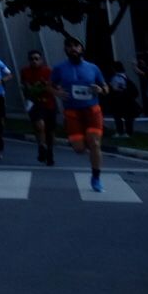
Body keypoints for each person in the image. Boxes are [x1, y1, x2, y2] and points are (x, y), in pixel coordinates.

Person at [51, 36, 109, 192]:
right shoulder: (59, 68)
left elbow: (105, 87)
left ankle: (96, 177)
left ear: (81, 49)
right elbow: (49, 86)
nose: (73, 49)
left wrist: (101, 90)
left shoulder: (93, 68)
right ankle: (85, 143)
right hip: (72, 112)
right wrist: (57, 92)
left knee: (95, 144)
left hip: (92, 111)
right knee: (79, 149)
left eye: (76, 46)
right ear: (65, 50)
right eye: (69, 46)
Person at [20, 49, 58, 164]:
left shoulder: (48, 71)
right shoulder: (25, 71)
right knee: (39, 125)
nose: (34, 61)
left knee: (50, 131)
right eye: (32, 59)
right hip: (35, 103)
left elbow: (53, 86)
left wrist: (46, 86)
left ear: (41, 60)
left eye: (37, 59)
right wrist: (32, 88)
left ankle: (50, 151)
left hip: (49, 103)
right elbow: (27, 87)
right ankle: (42, 146)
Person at [106, 61, 139, 138]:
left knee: (117, 116)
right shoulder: (125, 76)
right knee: (128, 117)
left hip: (118, 99)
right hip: (127, 99)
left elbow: (115, 88)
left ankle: (119, 131)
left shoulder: (115, 78)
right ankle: (128, 132)